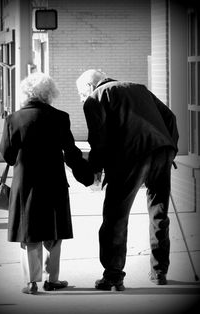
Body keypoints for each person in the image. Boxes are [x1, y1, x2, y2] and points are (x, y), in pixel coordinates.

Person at [76, 69, 179, 291]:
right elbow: (170, 117)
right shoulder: (138, 87)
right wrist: (171, 147)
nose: (81, 99)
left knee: (115, 216)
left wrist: (95, 172)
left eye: (80, 94)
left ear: (89, 87)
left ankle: (113, 276)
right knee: (159, 212)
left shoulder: (95, 98)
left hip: (130, 157)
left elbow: (98, 140)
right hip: (162, 151)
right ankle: (159, 271)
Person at [0, 72, 93, 294]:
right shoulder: (60, 117)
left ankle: (32, 282)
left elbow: (7, 155)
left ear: (26, 93)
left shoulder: (13, 119)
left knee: (29, 232)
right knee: (54, 231)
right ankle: (53, 279)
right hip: (54, 183)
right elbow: (71, 153)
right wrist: (87, 176)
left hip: (26, 185)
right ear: (50, 93)